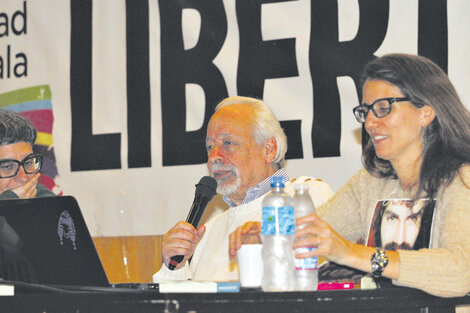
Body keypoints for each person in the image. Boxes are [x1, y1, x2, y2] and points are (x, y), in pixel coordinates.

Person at [230, 53, 470, 298]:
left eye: (383, 108)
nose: (370, 123)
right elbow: (312, 236)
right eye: (366, 111)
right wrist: (269, 236)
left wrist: (351, 253)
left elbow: (462, 271)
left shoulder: (463, 180)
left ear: (426, 113)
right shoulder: (369, 184)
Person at [153, 96, 333, 282]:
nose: (213, 157)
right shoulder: (208, 231)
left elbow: (314, 281)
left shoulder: (306, 196)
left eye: (227, 143)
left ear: (269, 149)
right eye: (209, 147)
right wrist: (174, 268)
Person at [0, 109, 55, 199]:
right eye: (7, 167)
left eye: (28, 163)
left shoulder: (42, 195)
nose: (24, 178)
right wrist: (11, 201)